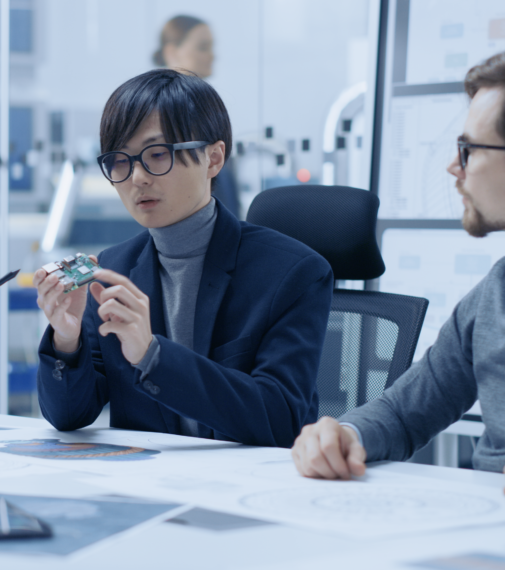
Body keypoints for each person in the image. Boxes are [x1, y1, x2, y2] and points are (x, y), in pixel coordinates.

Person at [290, 48, 505, 509]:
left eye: (470, 151)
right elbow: (404, 413)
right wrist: (344, 434)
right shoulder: (498, 292)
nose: (453, 167)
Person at [34, 69, 332, 446]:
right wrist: (66, 339)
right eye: (120, 160)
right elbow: (69, 416)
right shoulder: (114, 270)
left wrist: (152, 356)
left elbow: (280, 419)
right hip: (149, 478)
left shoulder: (292, 273)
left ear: (213, 159)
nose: (137, 177)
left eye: (157, 154)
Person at [152, 15, 241, 218]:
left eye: (211, 47)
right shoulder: (160, 111)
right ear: (172, 52)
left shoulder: (202, 106)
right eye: (203, 47)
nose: (212, 55)